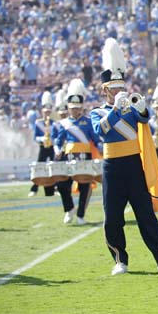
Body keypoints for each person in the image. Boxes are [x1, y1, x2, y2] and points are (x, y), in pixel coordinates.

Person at [90, 38, 158, 276]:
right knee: (113, 216)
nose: (118, 91)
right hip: (111, 167)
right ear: (104, 90)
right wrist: (115, 111)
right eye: (113, 88)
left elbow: (144, 119)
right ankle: (120, 260)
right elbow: (101, 131)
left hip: (134, 164)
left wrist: (140, 107)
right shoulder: (96, 112)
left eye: (121, 87)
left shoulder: (130, 108)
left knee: (145, 214)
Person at [54, 78, 101, 225]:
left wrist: (101, 147)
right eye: (72, 107)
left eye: (77, 107)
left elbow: (95, 139)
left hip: (85, 157)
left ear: (81, 107)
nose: (75, 110)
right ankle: (69, 209)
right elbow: (58, 140)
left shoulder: (88, 122)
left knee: (85, 187)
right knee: (62, 185)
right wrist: (57, 150)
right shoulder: (64, 123)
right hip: (68, 157)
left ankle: (81, 216)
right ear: (68, 108)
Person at [29, 91, 58, 197]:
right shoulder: (38, 122)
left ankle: (55, 188)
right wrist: (43, 139)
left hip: (51, 147)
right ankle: (34, 188)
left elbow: (56, 136)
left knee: (54, 167)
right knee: (39, 167)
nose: (47, 114)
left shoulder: (54, 123)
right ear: (42, 112)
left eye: (49, 112)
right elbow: (35, 137)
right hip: (43, 147)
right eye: (45, 112)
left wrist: (52, 140)